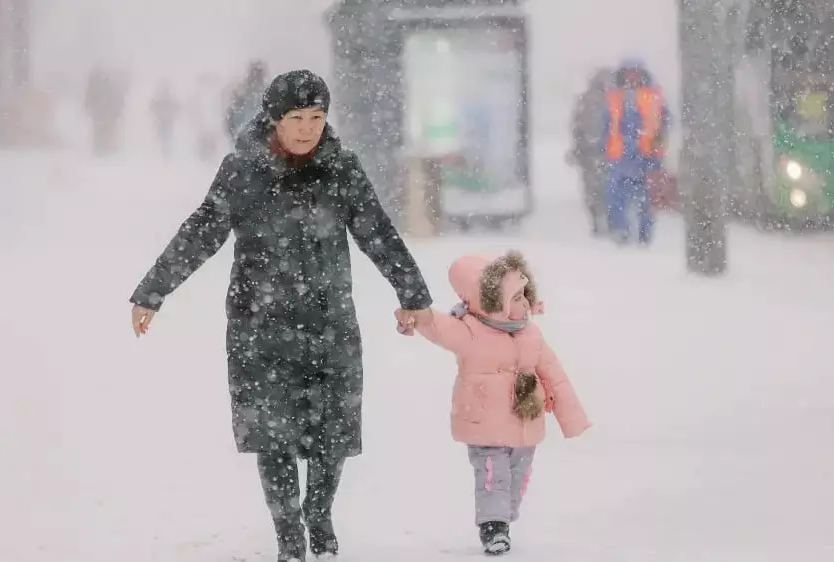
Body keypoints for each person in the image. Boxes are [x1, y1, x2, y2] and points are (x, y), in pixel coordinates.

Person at [129, 69, 432, 562]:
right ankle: (289, 534)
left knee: (332, 436)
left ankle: (319, 513)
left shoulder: (342, 170)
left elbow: (377, 231)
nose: (308, 128)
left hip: (330, 323)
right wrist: (152, 291)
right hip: (259, 327)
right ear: (274, 119)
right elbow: (201, 231)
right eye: (297, 118)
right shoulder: (242, 171)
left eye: (317, 117)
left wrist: (412, 293)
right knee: (274, 438)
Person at [398, 250, 590, 555]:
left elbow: (555, 375)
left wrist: (572, 417)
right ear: (493, 302)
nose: (525, 303)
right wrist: (416, 316)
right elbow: (437, 326)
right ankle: (493, 527)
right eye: (516, 298)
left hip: (525, 423)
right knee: (492, 475)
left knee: (517, 478)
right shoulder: (469, 331)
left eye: (525, 296)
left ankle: (503, 517)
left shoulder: (531, 334)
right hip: (484, 422)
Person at [601, 58, 670, 245]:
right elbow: (606, 124)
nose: (632, 76)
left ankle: (644, 234)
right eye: (628, 72)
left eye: (636, 72)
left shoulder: (654, 96)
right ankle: (621, 231)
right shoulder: (614, 97)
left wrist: (657, 144)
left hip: (648, 156)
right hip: (620, 156)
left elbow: (664, 122)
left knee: (646, 198)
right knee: (616, 196)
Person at [568, 67, 615, 235]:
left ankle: (599, 221)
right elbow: (577, 128)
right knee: (602, 188)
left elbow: (577, 128)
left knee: (594, 189)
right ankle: (603, 221)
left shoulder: (587, 100)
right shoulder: (612, 100)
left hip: (596, 153)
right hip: (600, 153)